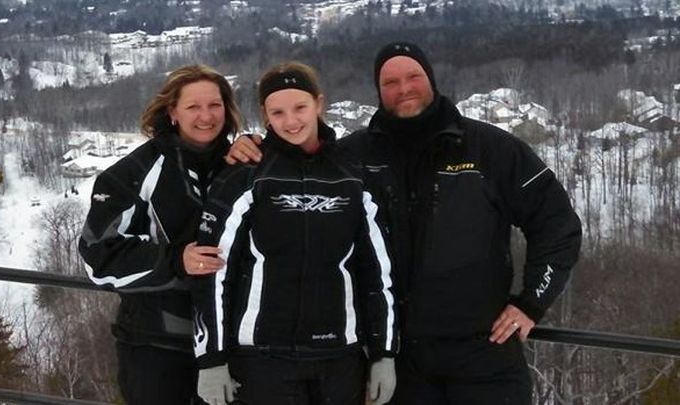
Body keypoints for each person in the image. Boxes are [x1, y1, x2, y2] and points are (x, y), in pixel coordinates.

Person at [226, 43, 582, 405]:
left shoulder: (490, 148)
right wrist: (254, 148)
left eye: (413, 76)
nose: (404, 88)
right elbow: (295, 167)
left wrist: (531, 302)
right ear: (379, 91)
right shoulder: (352, 156)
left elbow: (557, 224)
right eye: (390, 82)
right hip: (397, 359)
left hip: (484, 351)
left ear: (431, 78)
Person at [190, 61, 398, 405]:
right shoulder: (246, 175)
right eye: (278, 112)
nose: (291, 121)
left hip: (339, 358)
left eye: (300, 107)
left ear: (319, 104)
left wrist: (383, 353)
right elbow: (213, 272)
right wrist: (211, 358)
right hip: (262, 359)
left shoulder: (352, 176)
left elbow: (377, 273)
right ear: (265, 115)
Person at [78, 64, 241, 405]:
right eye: (193, 106)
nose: (206, 116)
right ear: (172, 112)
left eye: (215, 105)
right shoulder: (135, 172)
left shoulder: (242, 164)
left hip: (231, 346)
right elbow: (98, 256)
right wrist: (176, 260)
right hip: (156, 349)